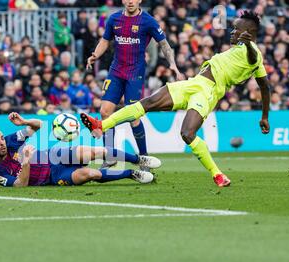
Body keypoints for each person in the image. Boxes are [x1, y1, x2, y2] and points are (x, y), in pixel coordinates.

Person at [81, 11, 271, 187]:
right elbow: (265, 86)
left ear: (248, 32)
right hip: (194, 83)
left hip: (207, 92)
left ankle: (217, 174)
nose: (232, 31)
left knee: (187, 134)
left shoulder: (252, 51)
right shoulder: (239, 48)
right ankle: (100, 126)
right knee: (147, 103)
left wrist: (248, 45)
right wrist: (264, 116)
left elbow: (256, 66)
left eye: (236, 28)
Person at [86, 0, 184, 169]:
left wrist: (173, 64)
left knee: (134, 116)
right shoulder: (114, 19)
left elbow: (164, 44)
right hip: (116, 71)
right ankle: (110, 156)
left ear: (139, 1)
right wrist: (95, 54)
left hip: (135, 73)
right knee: (104, 112)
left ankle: (144, 159)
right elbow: (105, 40)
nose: (130, 1)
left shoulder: (148, 21)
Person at [0, 112, 162, 187]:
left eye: (1, 138)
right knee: (90, 174)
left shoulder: (11, 141)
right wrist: (27, 161)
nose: (2, 143)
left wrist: (25, 122)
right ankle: (131, 173)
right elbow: (19, 185)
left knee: (94, 151)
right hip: (52, 178)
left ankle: (139, 159)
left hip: (54, 157)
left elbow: (42, 126)